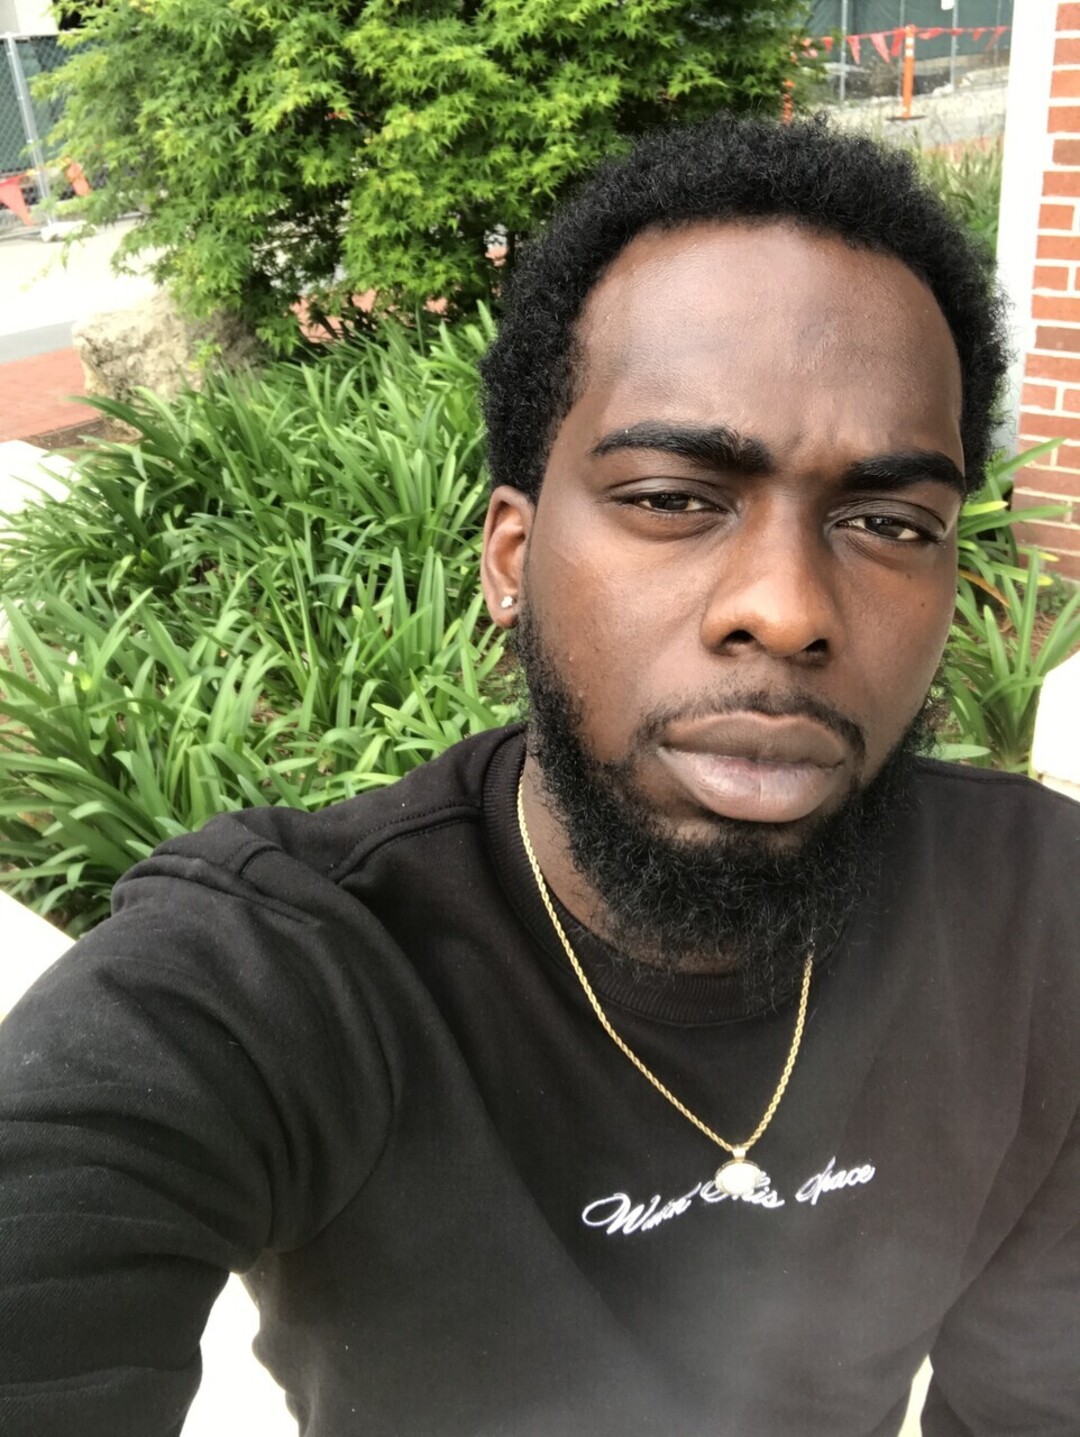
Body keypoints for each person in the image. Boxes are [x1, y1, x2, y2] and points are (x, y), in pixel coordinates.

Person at [1, 115, 1078, 1437]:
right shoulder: (292, 981)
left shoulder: (1040, 921)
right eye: (674, 497)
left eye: (888, 521)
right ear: (512, 559)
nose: (789, 609)